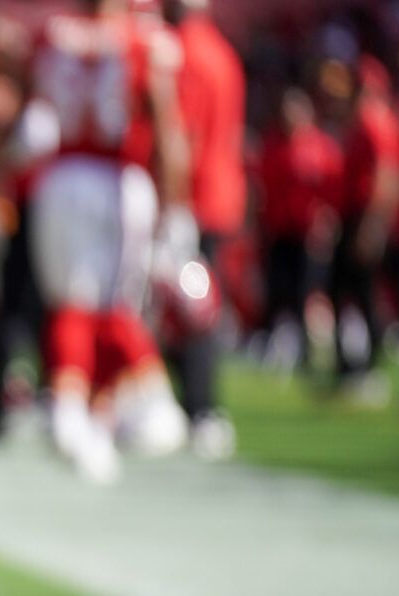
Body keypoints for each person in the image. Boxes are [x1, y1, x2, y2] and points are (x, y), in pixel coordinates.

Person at [24, 0, 190, 483]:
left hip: (60, 177)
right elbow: (165, 127)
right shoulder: (144, 41)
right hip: (117, 178)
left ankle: (82, 414)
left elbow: (20, 104)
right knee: (112, 306)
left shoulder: (53, 35)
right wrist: (177, 206)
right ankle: (148, 397)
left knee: (73, 303)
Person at [162, 0, 244, 459]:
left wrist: (172, 201)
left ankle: (200, 409)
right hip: (219, 194)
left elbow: (183, 135)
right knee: (200, 307)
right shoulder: (223, 53)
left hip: (193, 197)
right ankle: (200, 408)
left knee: (191, 312)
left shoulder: (185, 53)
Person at [325, 55, 399, 401]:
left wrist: (373, 225)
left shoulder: (375, 123)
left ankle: (366, 368)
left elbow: (387, 176)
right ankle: (349, 366)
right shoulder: (359, 124)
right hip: (352, 215)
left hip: (364, 216)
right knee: (343, 291)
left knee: (364, 295)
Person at [254, 87, 338, 375]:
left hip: (307, 233)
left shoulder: (320, 147)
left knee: (307, 293)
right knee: (278, 291)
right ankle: (274, 347)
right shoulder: (274, 145)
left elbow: (331, 191)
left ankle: (309, 353)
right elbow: (263, 189)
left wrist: (324, 225)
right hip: (280, 231)